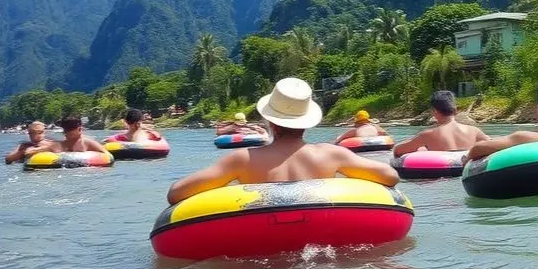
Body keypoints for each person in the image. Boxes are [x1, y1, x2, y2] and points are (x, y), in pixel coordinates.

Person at [167, 78, 398, 204]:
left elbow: (176, 193)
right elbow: (390, 177)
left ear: (271, 122)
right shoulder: (332, 154)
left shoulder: (242, 159)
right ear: (307, 122)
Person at [392, 91, 490, 156]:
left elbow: (398, 151)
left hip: (441, 175)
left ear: (434, 111)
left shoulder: (428, 134)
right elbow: (492, 144)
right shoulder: (474, 131)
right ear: (455, 110)